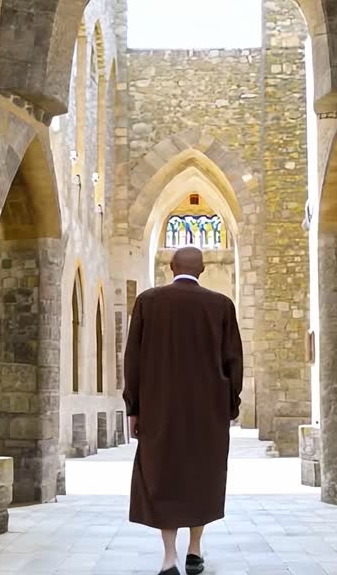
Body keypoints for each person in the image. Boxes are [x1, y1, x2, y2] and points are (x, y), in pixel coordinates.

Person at [123, 246, 244, 575]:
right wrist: (230, 406)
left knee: (163, 475)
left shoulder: (148, 302)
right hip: (208, 410)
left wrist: (133, 407)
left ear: (170, 267)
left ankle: (168, 557)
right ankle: (194, 549)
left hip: (159, 409)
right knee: (201, 476)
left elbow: (132, 360)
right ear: (202, 269)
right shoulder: (221, 305)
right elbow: (234, 361)